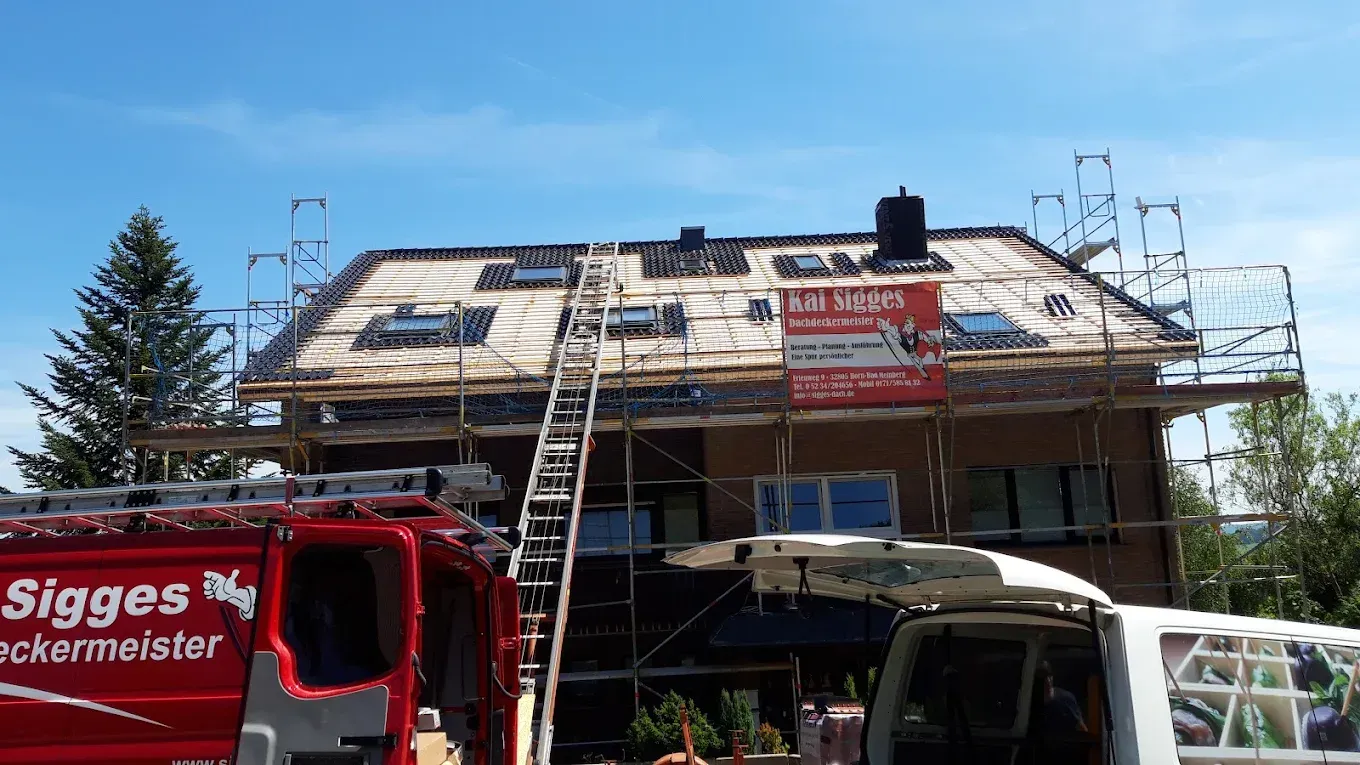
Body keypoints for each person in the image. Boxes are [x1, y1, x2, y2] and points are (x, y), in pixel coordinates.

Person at [1035, 661, 1087, 734]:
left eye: (1049, 676)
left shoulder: (1066, 700)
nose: (1048, 681)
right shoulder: (1029, 704)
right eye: (1043, 678)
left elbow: (1082, 731)